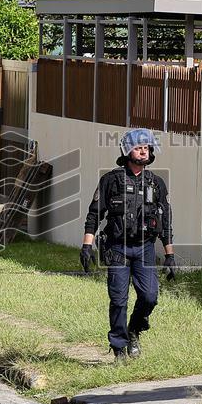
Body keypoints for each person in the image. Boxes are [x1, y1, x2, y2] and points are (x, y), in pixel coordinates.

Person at [81, 128, 176, 363]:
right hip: (117, 248)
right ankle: (119, 348)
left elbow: (165, 221)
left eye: (147, 148)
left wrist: (169, 255)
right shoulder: (111, 180)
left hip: (144, 248)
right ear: (126, 151)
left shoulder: (157, 183)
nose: (143, 152)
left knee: (150, 297)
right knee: (118, 300)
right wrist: (86, 246)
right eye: (138, 147)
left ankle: (134, 330)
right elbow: (94, 215)